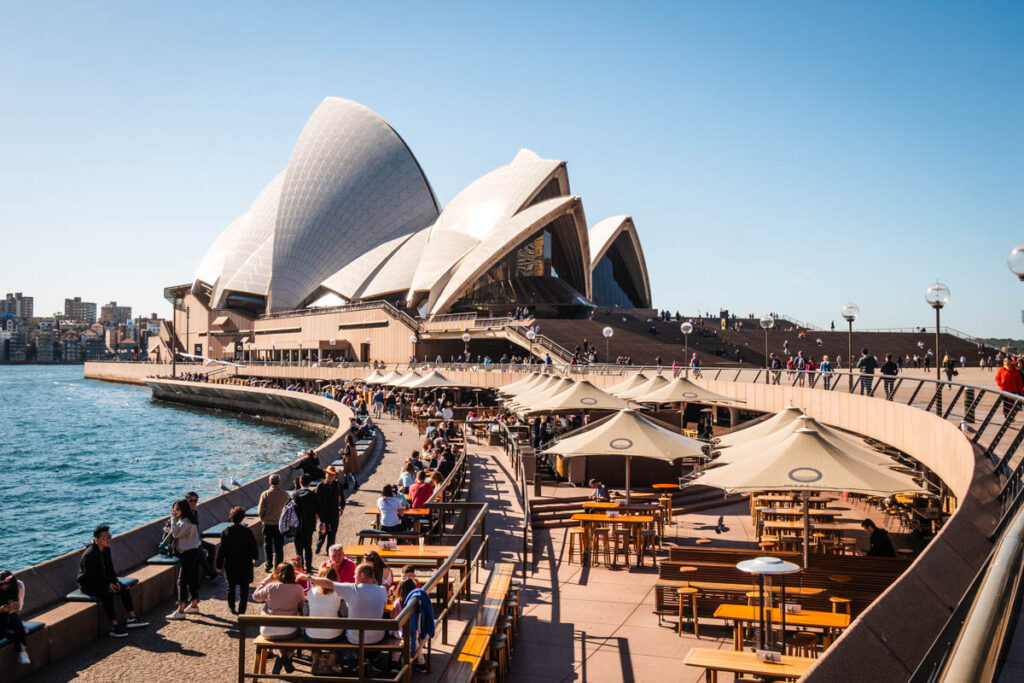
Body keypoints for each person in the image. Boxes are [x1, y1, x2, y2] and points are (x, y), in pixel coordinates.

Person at [77, 525, 148, 636]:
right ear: (97, 539)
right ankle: (114, 626)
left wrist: (115, 582)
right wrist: (107, 585)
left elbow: (110, 569)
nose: (109, 539)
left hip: (104, 581)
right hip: (88, 584)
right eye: (105, 537)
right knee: (107, 594)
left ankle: (132, 619)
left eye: (109, 537)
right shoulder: (89, 555)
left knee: (124, 588)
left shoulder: (106, 550)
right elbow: (91, 576)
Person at [308, 563, 388, 645]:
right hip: (376, 638)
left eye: (355, 574)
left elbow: (328, 584)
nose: (353, 577)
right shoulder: (382, 590)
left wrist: (308, 577)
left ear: (362, 575)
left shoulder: (351, 589)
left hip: (355, 639)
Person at [252, 563, 307, 674]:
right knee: (297, 633)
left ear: (277, 574)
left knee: (277, 633)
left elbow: (256, 597)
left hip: (268, 630)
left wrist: (268, 579)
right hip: (289, 631)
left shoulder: (271, 587)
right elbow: (301, 605)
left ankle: (282, 656)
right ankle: (285, 656)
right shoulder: (298, 589)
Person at [215, 507, 259, 614]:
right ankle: (242, 609)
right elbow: (253, 546)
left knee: (231, 586)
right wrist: (255, 557)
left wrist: (218, 565)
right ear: (242, 518)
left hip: (231, 563)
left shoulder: (226, 532)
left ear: (231, 518)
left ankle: (231, 606)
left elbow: (221, 550)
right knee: (245, 588)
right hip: (245, 563)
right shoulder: (247, 531)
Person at [166, 499, 202, 620]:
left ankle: (180, 610)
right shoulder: (191, 519)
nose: (175, 511)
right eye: (174, 509)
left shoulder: (185, 521)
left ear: (182, 510)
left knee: (181, 581)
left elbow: (175, 534)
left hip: (188, 553)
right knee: (191, 578)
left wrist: (172, 518)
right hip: (194, 551)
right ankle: (194, 603)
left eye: (177, 509)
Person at [258, 474, 290, 571]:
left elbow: (260, 510)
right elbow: (288, 510)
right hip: (279, 524)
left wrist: (264, 519)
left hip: (268, 523)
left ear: (269, 482)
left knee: (267, 545)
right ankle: (278, 566)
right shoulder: (285, 495)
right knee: (279, 546)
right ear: (279, 482)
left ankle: (268, 564)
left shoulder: (265, 494)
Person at [306, 566, 344, 641]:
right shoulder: (339, 593)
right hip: (333, 636)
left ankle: (315, 652)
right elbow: (344, 613)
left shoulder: (311, 592)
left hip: (312, 635)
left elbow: (306, 611)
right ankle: (333, 651)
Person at [186, 492, 217, 580]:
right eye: (190, 500)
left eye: (195, 501)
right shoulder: (183, 513)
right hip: (187, 542)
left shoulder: (194, 512)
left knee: (211, 547)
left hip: (196, 539)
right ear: (186, 501)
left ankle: (209, 572)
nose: (193, 503)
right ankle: (210, 573)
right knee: (200, 551)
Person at [0, 571, 30, 664]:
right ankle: (22, 649)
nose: (4, 589)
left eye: (7, 588)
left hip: (10, 616)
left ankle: (22, 651)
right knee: (16, 626)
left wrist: (13, 607)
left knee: (14, 618)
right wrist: (1, 610)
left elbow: (19, 608)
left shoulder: (19, 585)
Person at [315, 466, 346, 554]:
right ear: (325, 474)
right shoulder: (320, 486)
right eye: (329, 475)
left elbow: (342, 498)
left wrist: (342, 507)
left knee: (333, 532)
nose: (331, 476)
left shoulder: (338, 485)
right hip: (323, 512)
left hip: (334, 511)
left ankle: (329, 550)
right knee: (322, 531)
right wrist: (317, 513)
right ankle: (318, 547)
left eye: (332, 475)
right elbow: (316, 501)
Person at [293, 475, 320, 573]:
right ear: (310, 483)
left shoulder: (295, 495)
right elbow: (318, 510)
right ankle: (308, 566)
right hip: (309, 526)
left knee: (298, 548)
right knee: (308, 547)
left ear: (300, 482)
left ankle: (300, 567)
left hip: (297, 526)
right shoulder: (313, 495)